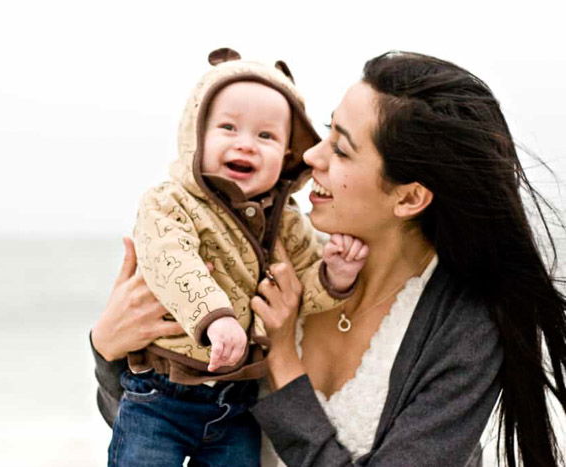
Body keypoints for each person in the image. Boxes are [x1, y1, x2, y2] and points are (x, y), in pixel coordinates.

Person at [91, 51, 566, 466]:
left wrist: (282, 362)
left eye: (340, 148)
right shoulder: (270, 254)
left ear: (409, 198)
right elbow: (167, 424)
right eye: (327, 129)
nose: (311, 155)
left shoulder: (463, 327)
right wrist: (107, 351)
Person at [106, 48, 367, 466]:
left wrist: (334, 276)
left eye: (266, 136)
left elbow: (299, 291)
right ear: (197, 135)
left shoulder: (287, 223)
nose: (246, 144)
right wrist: (215, 317)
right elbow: (173, 262)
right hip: (161, 392)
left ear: (286, 156)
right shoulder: (170, 202)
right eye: (228, 128)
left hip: (238, 401)